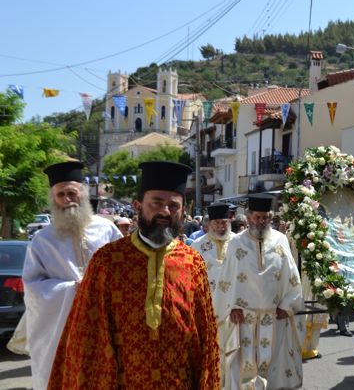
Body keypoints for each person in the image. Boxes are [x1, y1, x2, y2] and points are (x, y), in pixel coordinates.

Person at [47, 161, 220, 389]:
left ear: (183, 211)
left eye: (173, 205)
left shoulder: (193, 261)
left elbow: (206, 337)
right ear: (138, 205)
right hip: (123, 381)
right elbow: (87, 333)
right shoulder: (108, 260)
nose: (165, 211)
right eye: (156, 203)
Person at [23, 161, 122, 390]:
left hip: (105, 322)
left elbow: (124, 268)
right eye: (61, 194)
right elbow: (32, 288)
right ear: (53, 198)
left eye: (72, 193)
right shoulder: (42, 241)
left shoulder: (106, 230)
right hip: (61, 329)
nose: (67, 199)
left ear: (83, 194)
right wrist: (71, 289)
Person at [215, 194, 304, 390]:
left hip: (274, 316)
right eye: (257, 217)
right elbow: (226, 281)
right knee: (243, 366)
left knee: (273, 365)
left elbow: (291, 275)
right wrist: (230, 308)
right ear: (248, 218)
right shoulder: (236, 243)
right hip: (243, 319)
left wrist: (288, 305)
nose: (261, 222)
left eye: (266, 218)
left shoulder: (280, 240)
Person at [191, 202, 235, 387]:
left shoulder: (239, 243)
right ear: (208, 224)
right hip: (206, 311)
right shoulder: (197, 246)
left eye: (224, 222)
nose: (221, 226)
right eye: (217, 222)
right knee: (210, 354)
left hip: (234, 310)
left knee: (233, 354)